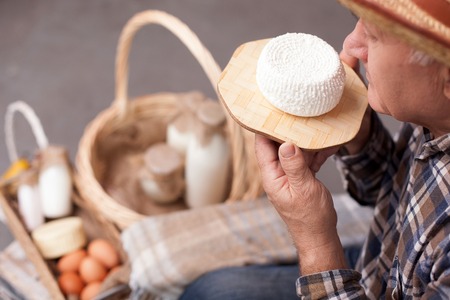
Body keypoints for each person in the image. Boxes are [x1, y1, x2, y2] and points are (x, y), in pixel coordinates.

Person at [180, 0, 450, 298]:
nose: (351, 43)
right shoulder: (434, 115)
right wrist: (357, 134)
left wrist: (316, 242)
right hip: (378, 264)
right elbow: (392, 194)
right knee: (211, 290)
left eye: (373, 36)